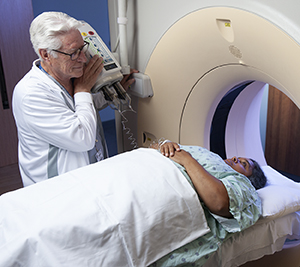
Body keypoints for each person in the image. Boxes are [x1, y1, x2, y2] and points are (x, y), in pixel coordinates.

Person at [12, 11, 137, 186]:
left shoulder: (69, 76)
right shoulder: (30, 94)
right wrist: (83, 89)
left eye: (83, 48)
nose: (83, 58)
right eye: (73, 53)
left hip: (90, 176)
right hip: (58, 190)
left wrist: (114, 90)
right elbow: (82, 138)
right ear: (46, 55)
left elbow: (81, 108)